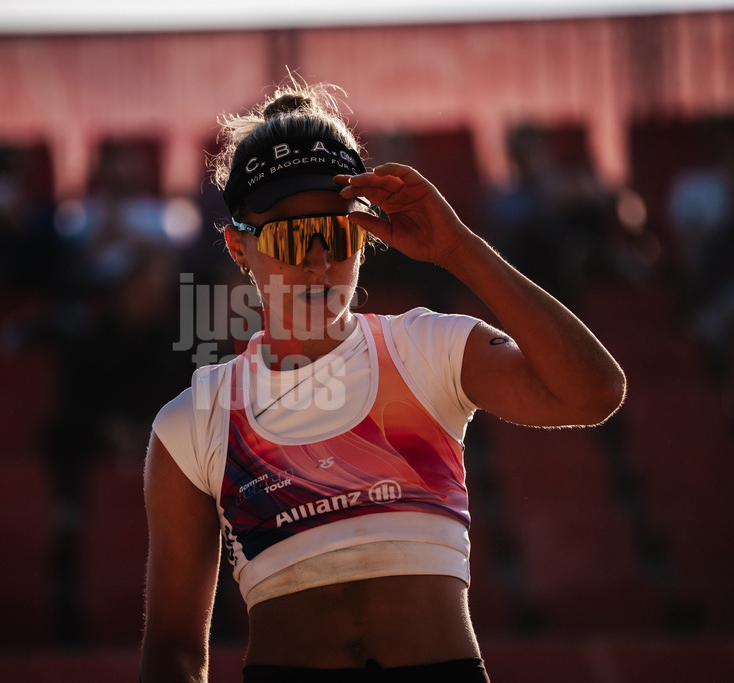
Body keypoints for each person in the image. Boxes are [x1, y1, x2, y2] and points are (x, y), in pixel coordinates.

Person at [141, 78, 627, 683]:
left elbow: (594, 393)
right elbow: (174, 653)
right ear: (238, 249)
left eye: (338, 232)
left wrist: (456, 248)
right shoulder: (195, 420)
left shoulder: (428, 347)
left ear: (366, 233)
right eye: (292, 237)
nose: (318, 260)